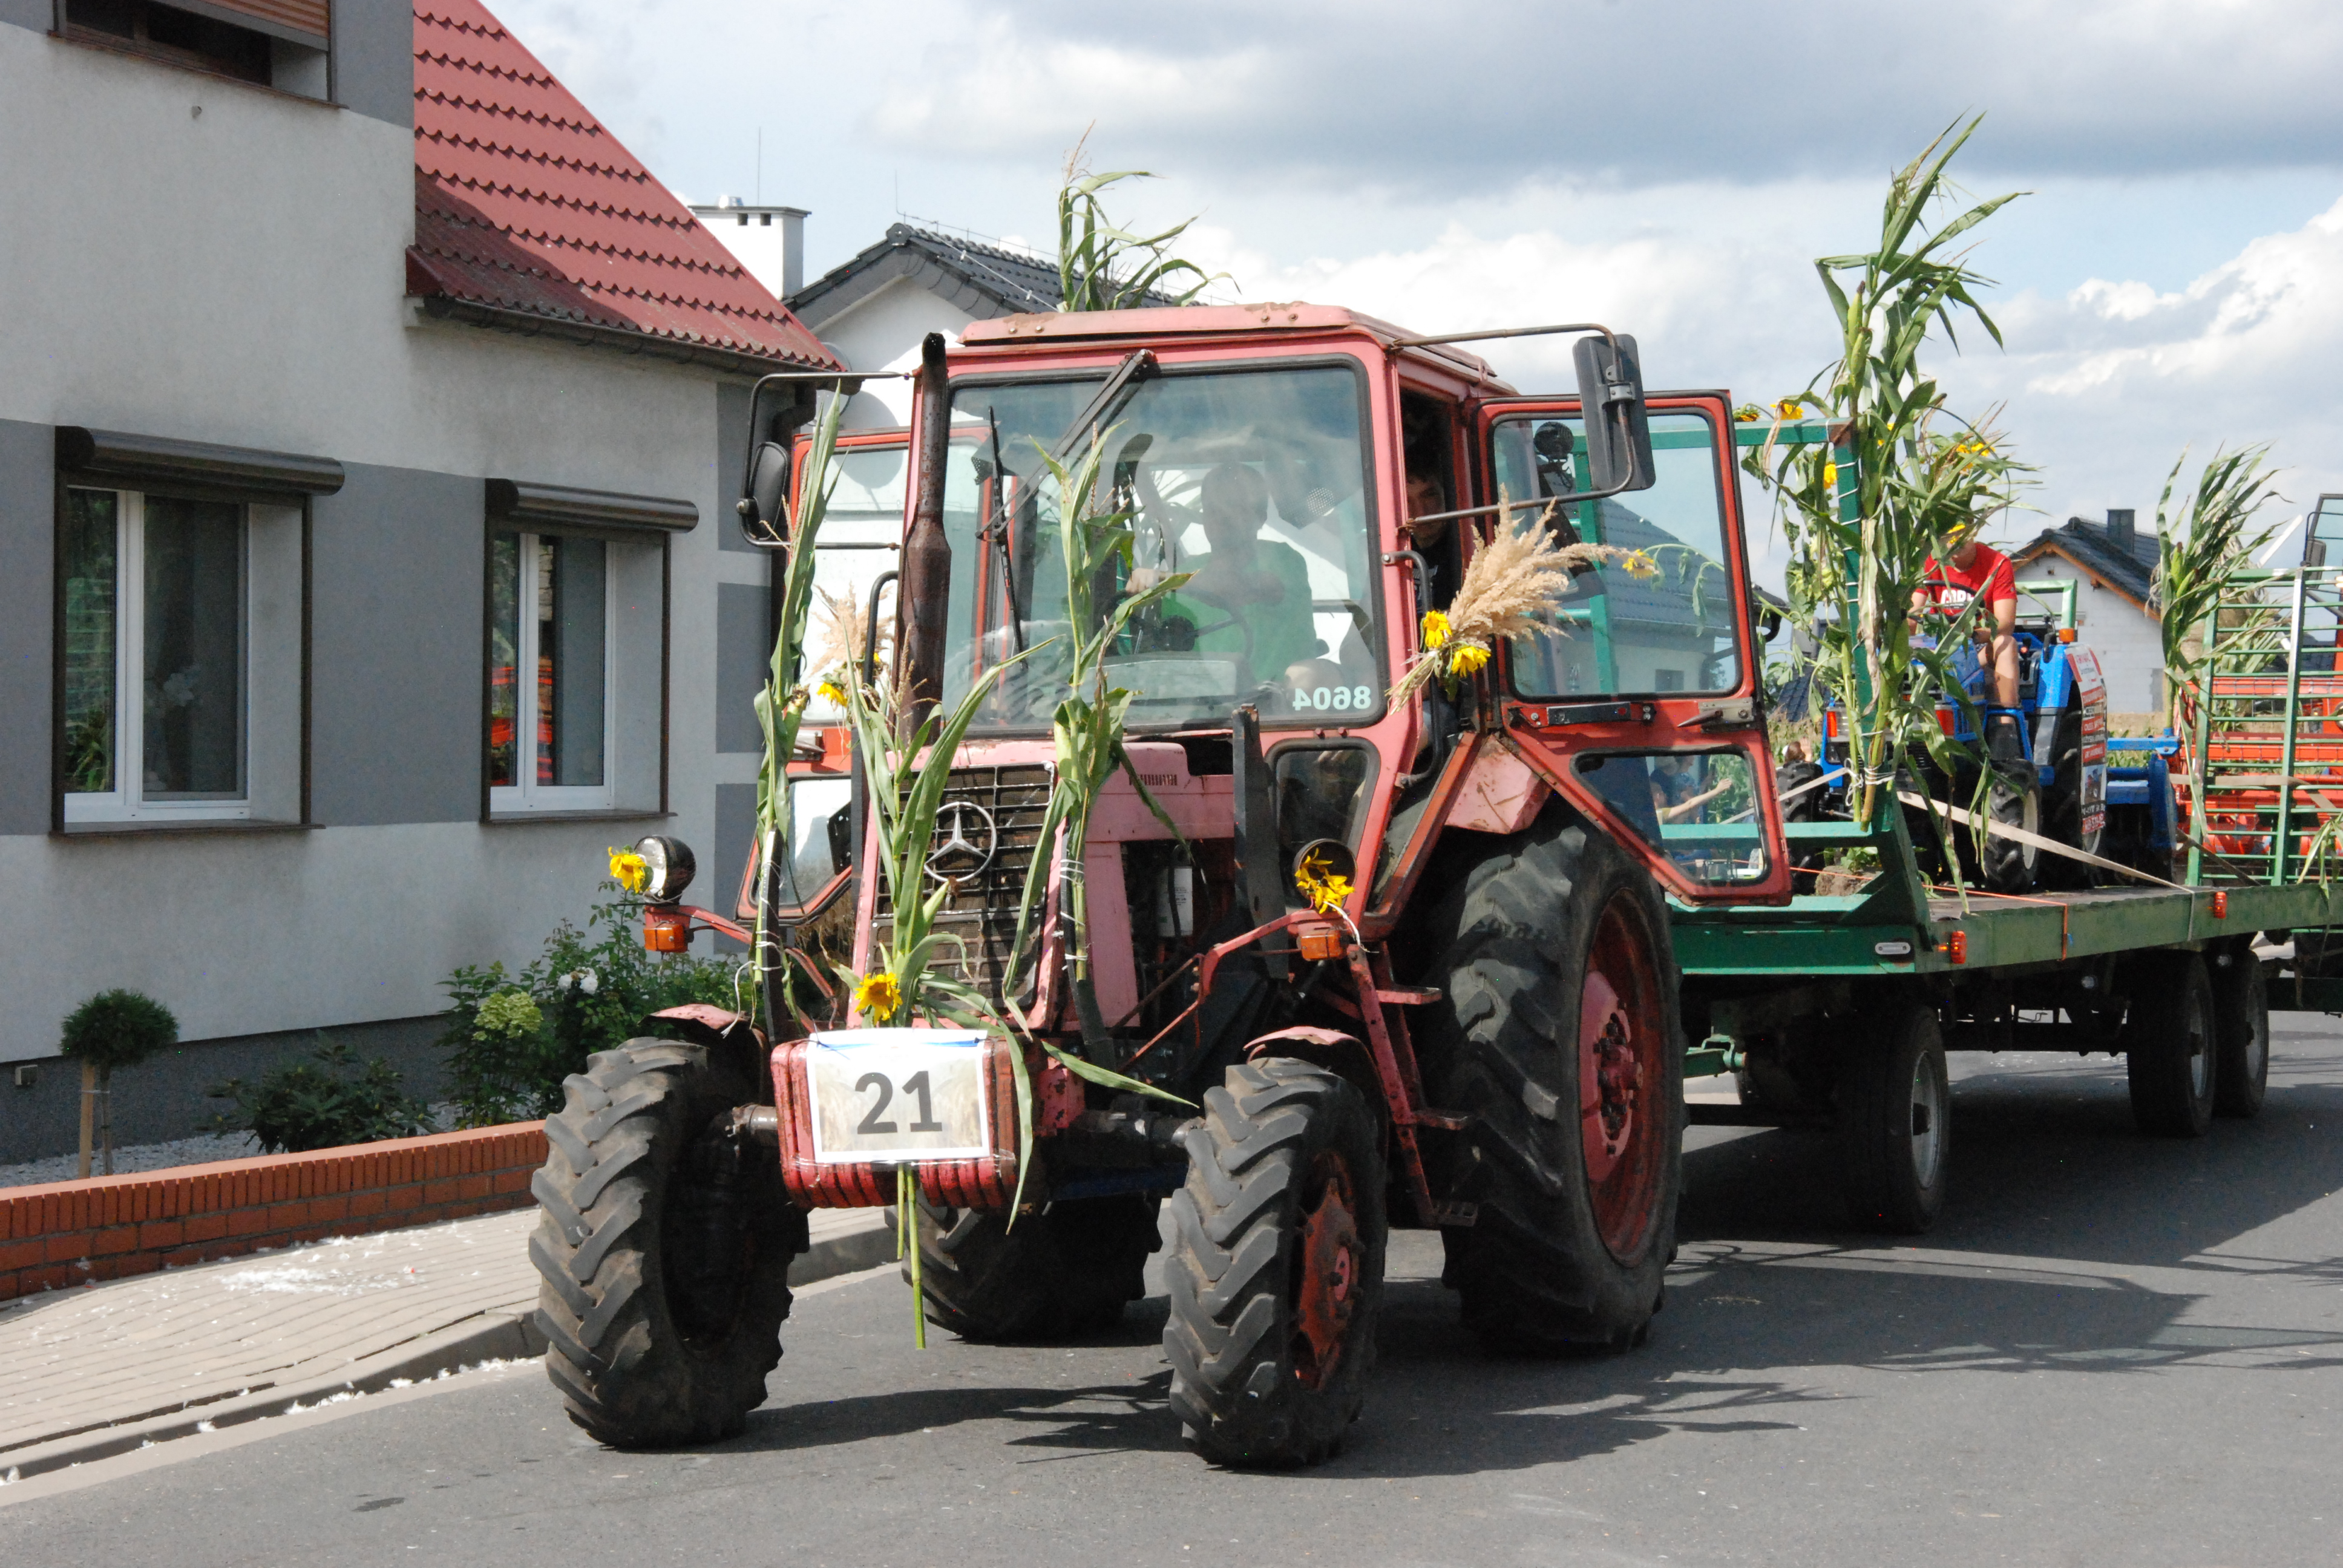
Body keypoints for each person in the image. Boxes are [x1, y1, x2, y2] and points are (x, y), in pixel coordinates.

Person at [1136, 462, 1318, 687]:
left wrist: (1163, 580)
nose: (1221, 518)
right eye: (1212, 509)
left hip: (1279, 708)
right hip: (1197, 706)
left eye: (1233, 508)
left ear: (1260, 517)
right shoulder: (1184, 572)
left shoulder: (1283, 559)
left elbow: (1240, 589)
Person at [1914, 518, 2022, 762]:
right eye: (1948, 542)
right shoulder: (1931, 563)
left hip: (1979, 647)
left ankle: (2004, 727)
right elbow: (1913, 614)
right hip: (1937, 649)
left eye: (1960, 540)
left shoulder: (1997, 564)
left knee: (2006, 644)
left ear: (1973, 533)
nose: (1954, 548)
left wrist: (1969, 632)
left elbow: (2005, 623)